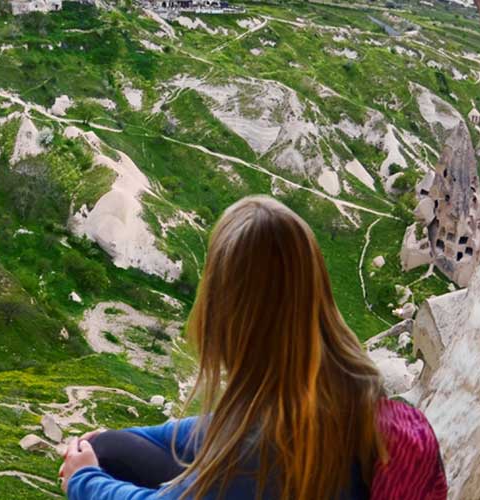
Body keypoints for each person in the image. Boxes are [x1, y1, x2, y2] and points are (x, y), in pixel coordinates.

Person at [58, 196, 447, 500]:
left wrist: (84, 479)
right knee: (108, 446)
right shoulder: (346, 383)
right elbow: (220, 427)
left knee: (103, 465)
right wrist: (121, 440)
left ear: (227, 314)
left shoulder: (259, 454)